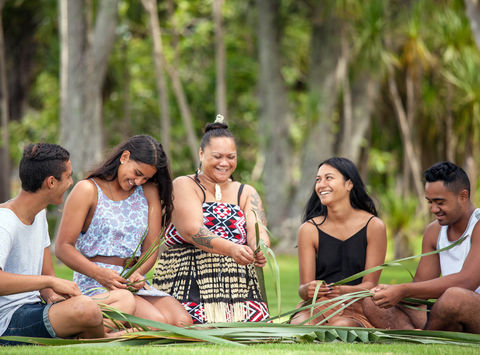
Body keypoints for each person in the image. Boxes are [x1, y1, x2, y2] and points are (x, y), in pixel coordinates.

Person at [0, 143, 136, 346]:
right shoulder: (5, 222)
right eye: (69, 176)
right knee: (87, 308)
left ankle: (83, 330)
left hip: (38, 309)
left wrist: (56, 296)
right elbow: (43, 280)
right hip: (10, 322)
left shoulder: (39, 216)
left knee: (124, 299)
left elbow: (47, 280)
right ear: (51, 182)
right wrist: (50, 282)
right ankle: (101, 337)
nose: (72, 183)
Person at [55, 135, 192, 327]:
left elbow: (150, 250)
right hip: (96, 281)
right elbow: (63, 247)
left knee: (182, 322)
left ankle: (106, 328)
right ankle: (90, 329)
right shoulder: (87, 189)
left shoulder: (147, 191)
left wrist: (139, 272)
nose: (138, 181)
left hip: (131, 279)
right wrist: (99, 273)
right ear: (124, 156)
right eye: (137, 173)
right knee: (157, 323)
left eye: (145, 177)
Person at [152, 115, 270, 324]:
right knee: (189, 325)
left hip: (239, 290)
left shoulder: (246, 192)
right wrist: (232, 249)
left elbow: (257, 229)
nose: (225, 163)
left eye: (231, 157)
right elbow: (193, 231)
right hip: (187, 284)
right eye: (217, 156)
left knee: (250, 333)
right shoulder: (184, 184)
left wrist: (259, 248)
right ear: (201, 154)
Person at [363, 161, 480, 330]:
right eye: (429, 202)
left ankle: (427, 337)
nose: (433, 209)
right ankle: (418, 336)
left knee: (453, 297)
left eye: (440, 202)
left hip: (469, 307)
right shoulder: (434, 231)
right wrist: (389, 291)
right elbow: (420, 289)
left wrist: (403, 289)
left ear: (463, 196)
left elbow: (467, 281)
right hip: (446, 309)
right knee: (372, 302)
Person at [290, 157, 387, 327]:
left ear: (349, 184)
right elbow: (303, 289)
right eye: (318, 180)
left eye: (329, 178)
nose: (321, 185)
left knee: (341, 327)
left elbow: (370, 285)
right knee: (301, 325)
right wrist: (308, 289)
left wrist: (342, 291)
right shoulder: (309, 229)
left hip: (356, 305)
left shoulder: (374, 226)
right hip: (318, 305)